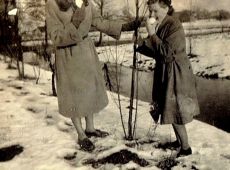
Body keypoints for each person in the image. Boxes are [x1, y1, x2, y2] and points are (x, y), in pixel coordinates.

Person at [46, 0, 139, 152]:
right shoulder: (52, 4)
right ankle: (81, 134)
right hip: (68, 54)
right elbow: (55, 37)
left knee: (89, 89)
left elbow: (97, 21)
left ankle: (90, 128)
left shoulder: (84, 1)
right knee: (73, 95)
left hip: (85, 50)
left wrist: (123, 27)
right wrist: (74, 24)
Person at [136, 0, 200, 157]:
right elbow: (157, 51)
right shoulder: (161, 23)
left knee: (175, 108)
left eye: (155, 11)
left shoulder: (174, 25)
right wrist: (141, 43)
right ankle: (179, 142)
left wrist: (151, 35)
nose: (151, 15)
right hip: (167, 70)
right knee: (169, 107)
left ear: (166, 8)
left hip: (176, 72)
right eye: (150, 11)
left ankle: (185, 148)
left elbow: (167, 52)